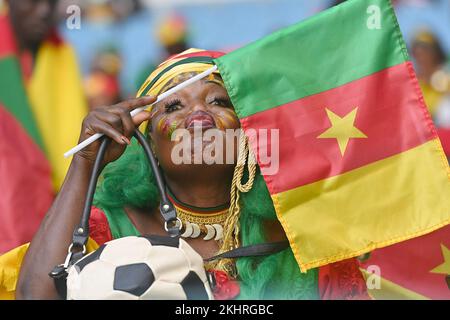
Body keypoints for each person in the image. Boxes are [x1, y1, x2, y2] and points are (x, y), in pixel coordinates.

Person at [7, 49, 369, 300]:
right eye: (175, 106)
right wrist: (86, 162)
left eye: (219, 102)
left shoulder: (302, 233)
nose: (199, 116)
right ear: (147, 142)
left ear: (245, 134)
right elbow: (36, 294)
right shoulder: (109, 228)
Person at [0, 0, 87, 254]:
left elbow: (70, 140)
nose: (44, 11)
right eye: (33, 2)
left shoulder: (61, 54)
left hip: (49, 210)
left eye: (51, 3)